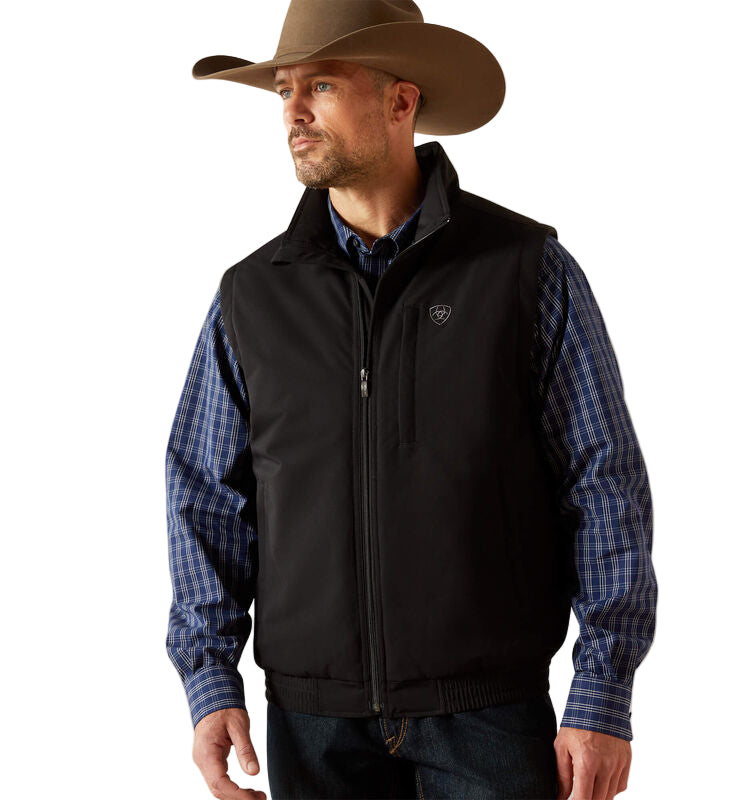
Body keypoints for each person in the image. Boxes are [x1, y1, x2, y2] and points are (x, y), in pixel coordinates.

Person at [165, 1, 658, 798]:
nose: (293, 111)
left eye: (322, 86)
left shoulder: (524, 270)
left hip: (489, 717)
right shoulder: (251, 297)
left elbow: (603, 482)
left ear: (402, 101)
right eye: (285, 89)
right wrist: (209, 678)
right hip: (314, 730)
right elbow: (205, 497)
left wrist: (603, 690)